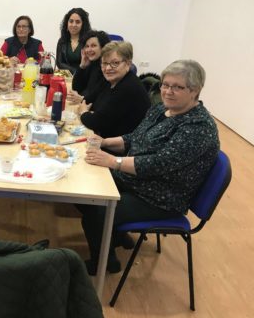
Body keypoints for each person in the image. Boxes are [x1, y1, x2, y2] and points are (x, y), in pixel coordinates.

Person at [78, 59, 220, 275]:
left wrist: (113, 161)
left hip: (161, 197)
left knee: (97, 209)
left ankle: (105, 262)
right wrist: (104, 141)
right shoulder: (162, 109)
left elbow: (158, 163)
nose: (168, 91)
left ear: (195, 90)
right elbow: (134, 137)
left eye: (177, 87)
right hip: (136, 181)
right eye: (165, 84)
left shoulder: (199, 126)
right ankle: (114, 236)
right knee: (86, 187)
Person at [76, 41, 151, 138]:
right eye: (104, 63)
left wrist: (84, 112)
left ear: (128, 64)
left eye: (115, 63)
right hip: (104, 136)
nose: (107, 68)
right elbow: (87, 100)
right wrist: (89, 112)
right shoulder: (110, 79)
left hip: (119, 148)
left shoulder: (128, 87)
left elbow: (97, 122)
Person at [68, 30, 111, 104]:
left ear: (103, 47)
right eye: (87, 46)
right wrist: (82, 67)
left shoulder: (107, 68)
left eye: (93, 46)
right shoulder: (91, 63)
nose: (89, 50)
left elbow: (97, 96)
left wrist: (82, 99)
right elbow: (76, 88)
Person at [56, 8, 92, 75]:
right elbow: (59, 63)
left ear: (83, 25)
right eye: (71, 21)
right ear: (67, 23)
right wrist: (74, 71)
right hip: (67, 77)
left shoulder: (89, 41)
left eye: (78, 22)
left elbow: (90, 65)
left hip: (85, 77)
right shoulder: (62, 40)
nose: (74, 25)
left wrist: (78, 73)